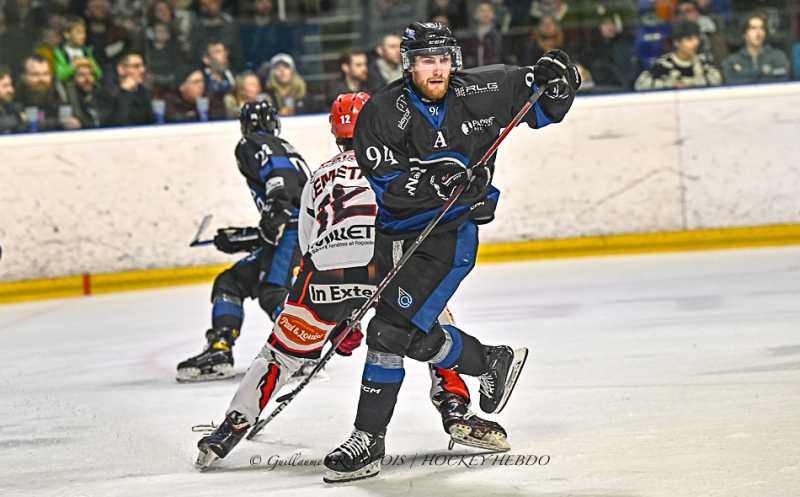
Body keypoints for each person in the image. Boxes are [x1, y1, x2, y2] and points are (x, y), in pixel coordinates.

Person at [194, 93, 510, 470]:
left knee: (280, 353)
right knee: (431, 319)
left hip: (326, 274)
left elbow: (310, 246)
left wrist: (341, 317)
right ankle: (454, 405)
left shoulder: (318, 176)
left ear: (336, 135)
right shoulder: (404, 163)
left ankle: (230, 427)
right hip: (388, 261)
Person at [322, 21, 579, 483]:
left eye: (443, 60)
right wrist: (436, 180)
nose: (437, 69)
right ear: (408, 65)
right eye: (427, 61)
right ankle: (489, 360)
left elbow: (543, 104)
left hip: (448, 236)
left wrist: (562, 83)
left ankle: (367, 440)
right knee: (410, 336)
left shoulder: (485, 88)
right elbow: (388, 183)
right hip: (395, 235)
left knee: (386, 331)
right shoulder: (381, 111)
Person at [176, 100, 310, 382]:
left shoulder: (253, 142)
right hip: (300, 230)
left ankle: (299, 350)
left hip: (293, 229)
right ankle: (220, 349)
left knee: (273, 291)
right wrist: (248, 236)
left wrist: (274, 215)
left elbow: (282, 186)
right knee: (231, 282)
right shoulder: (285, 146)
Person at [634, 20, 723, 90]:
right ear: (676, 42)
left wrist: (690, 84)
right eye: (689, 39)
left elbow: (717, 79)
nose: (696, 42)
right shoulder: (664, 64)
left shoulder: (703, 60)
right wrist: (670, 85)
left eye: (696, 38)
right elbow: (640, 84)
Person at [722, 13, 790, 84]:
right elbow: (732, 81)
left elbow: (781, 79)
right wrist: (762, 71)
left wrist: (743, 73)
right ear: (744, 34)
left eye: (762, 28)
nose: (758, 33)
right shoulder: (732, 61)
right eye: (753, 28)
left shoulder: (778, 57)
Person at [15, 54, 78, 131]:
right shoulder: (15, 97)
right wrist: (57, 123)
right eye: (35, 75)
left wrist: (76, 122)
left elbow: (75, 117)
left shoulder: (61, 92)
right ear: (24, 77)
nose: (42, 79)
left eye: (45, 74)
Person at [108, 53, 155, 126]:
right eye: (136, 66)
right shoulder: (110, 94)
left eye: (143, 65)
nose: (143, 70)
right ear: (121, 69)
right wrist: (125, 91)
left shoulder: (145, 93)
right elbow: (120, 121)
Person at [54, 15, 103, 83]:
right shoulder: (59, 52)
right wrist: (74, 65)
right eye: (79, 32)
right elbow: (60, 75)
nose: (83, 36)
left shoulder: (87, 51)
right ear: (67, 34)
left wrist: (91, 64)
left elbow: (99, 74)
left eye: (84, 32)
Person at [62, 57, 107, 128]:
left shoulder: (101, 94)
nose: (87, 79)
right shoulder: (67, 97)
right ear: (73, 78)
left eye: (90, 74)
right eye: (82, 75)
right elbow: (65, 121)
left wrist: (83, 123)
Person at [460, 2, 505, 68]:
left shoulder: (499, 34)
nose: (485, 13)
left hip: (494, 70)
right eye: (482, 11)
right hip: (472, 70)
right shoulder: (468, 35)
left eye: (489, 10)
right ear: (475, 14)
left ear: (493, 14)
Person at [0, 66, 25, 134]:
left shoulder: (15, 108)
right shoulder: (17, 116)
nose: (10, 90)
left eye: (11, 85)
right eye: (5, 86)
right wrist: (18, 119)